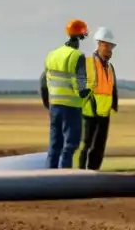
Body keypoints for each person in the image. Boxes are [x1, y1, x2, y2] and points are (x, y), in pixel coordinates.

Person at [40, 19, 92, 169]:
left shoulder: (52, 55)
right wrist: (86, 94)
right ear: (82, 35)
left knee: (54, 144)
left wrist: (47, 103)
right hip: (71, 106)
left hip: (54, 106)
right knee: (70, 145)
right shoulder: (77, 56)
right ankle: (64, 177)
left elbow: (44, 81)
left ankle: (49, 177)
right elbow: (80, 82)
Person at [78, 26, 119, 170]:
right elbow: (80, 85)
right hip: (90, 112)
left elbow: (112, 88)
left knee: (100, 146)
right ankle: (81, 173)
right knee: (87, 145)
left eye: (111, 47)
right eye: (107, 46)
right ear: (99, 44)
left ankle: (94, 173)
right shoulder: (87, 62)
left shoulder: (110, 67)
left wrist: (114, 105)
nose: (109, 50)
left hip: (104, 112)